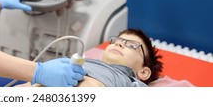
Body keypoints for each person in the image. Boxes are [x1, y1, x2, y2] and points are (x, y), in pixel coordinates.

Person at [24, 28, 163, 87]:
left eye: (132, 45)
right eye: (116, 40)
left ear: (143, 72)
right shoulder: (82, 63)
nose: (119, 44)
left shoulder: (132, 84)